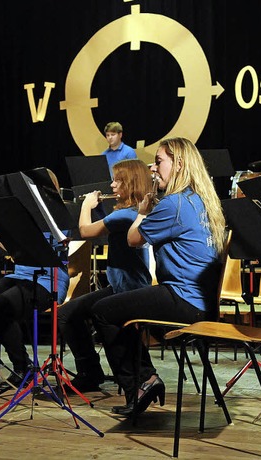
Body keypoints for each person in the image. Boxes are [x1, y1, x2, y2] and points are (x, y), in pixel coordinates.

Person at [91, 137, 226, 416]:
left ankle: (139, 384)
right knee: (122, 309)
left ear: (178, 164)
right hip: (202, 302)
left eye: (159, 161)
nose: (153, 168)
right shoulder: (199, 199)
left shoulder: (173, 203)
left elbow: (132, 239)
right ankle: (146, 378)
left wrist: (142, 212)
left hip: (183, 299)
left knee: (103, 311)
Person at [0, 169, 69, 390]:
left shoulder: (58, 212)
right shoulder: (24, 210)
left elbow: (53, 246)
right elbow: (15, 248)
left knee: (1, 306)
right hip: (20, 274)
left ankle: (23, 368)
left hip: (47, 279)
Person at [57, 159, 153, 392]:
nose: (112, 185)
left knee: (67, 315)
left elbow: (85, 231)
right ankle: (95, 372)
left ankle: (93, 373)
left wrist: (86, 205)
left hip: (127, 290)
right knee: (70, 314)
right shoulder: (132, 212)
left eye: (118, 181)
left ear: (130, 183)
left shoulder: (125, 216)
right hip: (127, 286)